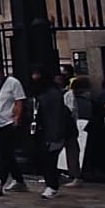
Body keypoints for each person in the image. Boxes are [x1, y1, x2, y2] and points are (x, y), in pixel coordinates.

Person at [0, 60, 29, 195]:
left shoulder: (13, 83)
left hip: (8, 122)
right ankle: (19, 180)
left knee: (5, 152)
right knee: (6, 153)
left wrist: (16, 118)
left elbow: (19, 101)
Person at [26, 68, 72, 198]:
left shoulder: (52, 93)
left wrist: (55, 134)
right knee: (43, 158)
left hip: (50, 131)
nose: (34, 77)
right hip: (40, 130)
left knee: (50, 159)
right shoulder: (39, 93)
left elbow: (56, 116)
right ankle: (50, 184)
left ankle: (52, 185)